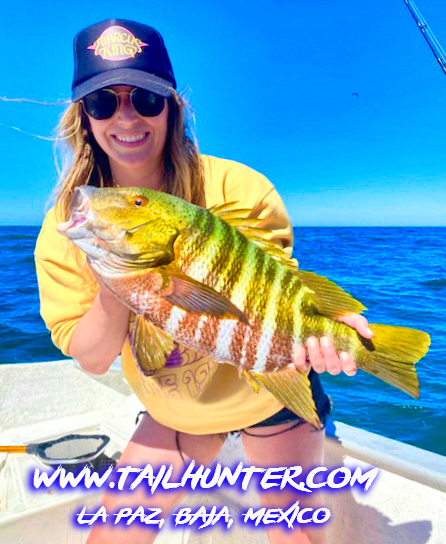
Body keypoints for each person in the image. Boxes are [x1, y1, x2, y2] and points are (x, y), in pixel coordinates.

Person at [35, 19, 373, 544]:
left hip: (271, 392)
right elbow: (94, 358)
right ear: (84, 117)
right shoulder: (73, 225)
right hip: (176, 408)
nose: (127, 117)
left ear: (172, 107)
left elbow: (274, 288)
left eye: (146, 98)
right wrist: (117, 278)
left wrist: (327, 324)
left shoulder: (239, 188)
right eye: (103, 103)